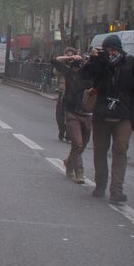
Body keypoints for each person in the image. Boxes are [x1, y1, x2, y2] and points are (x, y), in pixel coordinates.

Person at [83, 34, 134, 203]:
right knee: (100, 151)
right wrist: (94, 61)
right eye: (107, 49)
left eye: (113, 48)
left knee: (120, 152)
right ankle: (100, 185)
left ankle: (117, 189)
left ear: (119, 48)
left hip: (123, 116)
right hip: (102, 114)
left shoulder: (131, 63)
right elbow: (84, 79)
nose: (110, 52)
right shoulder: (100, 63)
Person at [54, 47, 92, 183]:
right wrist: (70, 58)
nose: (77, 67)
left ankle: (68, 163)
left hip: (87, 113)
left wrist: (87, 59)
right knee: (77, 143)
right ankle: (79, 171)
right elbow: (56, 60)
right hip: (72, 112)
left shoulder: (90, 74)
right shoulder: (69, 73)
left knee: (82, 145)